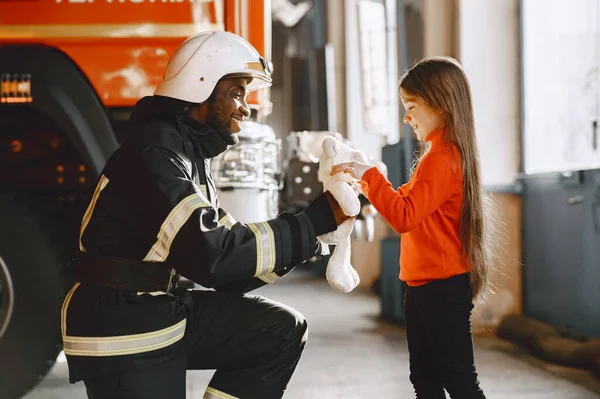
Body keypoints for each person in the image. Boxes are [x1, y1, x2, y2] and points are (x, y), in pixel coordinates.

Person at [61, 30, 352, 399]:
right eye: (235, 93)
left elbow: (231, 270)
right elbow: (216, 256)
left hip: (153, 306)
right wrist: (312, 222)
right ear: (198, 89)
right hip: (122, 322)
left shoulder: (184, 154)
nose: (245, 107)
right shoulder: (154, 156)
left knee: (279, 331)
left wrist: (318, 240)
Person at [331, 56, 497, 398]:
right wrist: (366, 179)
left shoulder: (443, 157)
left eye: (411, 106)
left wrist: (370, 176)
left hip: (442, 287)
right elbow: (406, 202)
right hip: (423, 284)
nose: (406, 117)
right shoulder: (437, 154)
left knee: (460, 382)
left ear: (441, 103)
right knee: (424, 378)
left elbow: (404, 215)